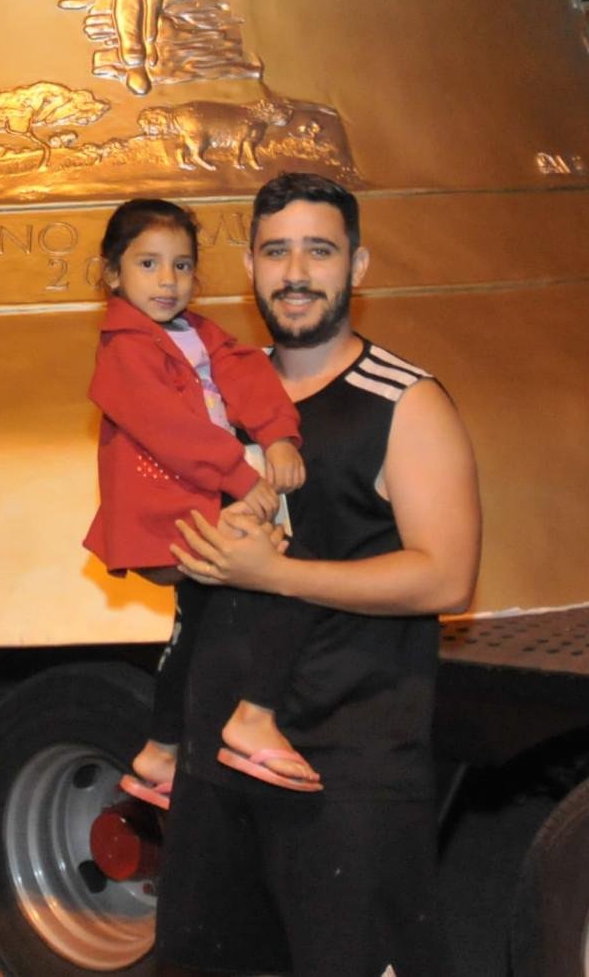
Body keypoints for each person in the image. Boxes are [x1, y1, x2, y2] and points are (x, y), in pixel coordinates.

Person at [153, 173, 481, 977]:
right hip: (213, 762)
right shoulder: (219, 397)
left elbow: (446, 579)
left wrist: (275, 575)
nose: (295, 272)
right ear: (251, 267)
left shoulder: (405, 404)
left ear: (357, 266)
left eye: (319, 250)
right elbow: (198, 571)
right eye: (276, 251)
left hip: (345, 767)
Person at [83, 198, 313, 807]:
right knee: (296, 580)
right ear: (112, 275)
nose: (168, 281)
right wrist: (242, 475)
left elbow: (248, 378)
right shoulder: (124, 351)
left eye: (182, 266)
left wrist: (279, 434)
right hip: (174, 513)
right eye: (149, 264)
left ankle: (160, 752)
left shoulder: (196, 333)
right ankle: (253, 716)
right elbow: (172, 433)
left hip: (200, 502)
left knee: (198, 628)